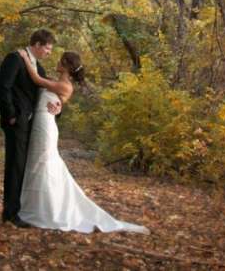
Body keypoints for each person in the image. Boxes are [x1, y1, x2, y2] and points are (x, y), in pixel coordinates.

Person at [16, 48, 148, 234]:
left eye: (61, 61)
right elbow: (50, 96)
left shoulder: (66, 86)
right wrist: (58, 106)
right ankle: (34, 207)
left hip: (46, 126)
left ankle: (48, 210)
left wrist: (24, 58)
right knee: (36, 163)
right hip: (39, 123)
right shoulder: (57, 83)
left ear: (67, 67)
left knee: (43, 163)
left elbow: (37, 80)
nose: (57, 62)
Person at [0, 29, 61, 226]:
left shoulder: (38, 68)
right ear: (38, 44)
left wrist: (58, 106)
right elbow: (3, 87)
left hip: (32, 125)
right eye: (48, 48)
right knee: (15, 166)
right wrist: (11, 116)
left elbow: (46, 91)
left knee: (24, 167)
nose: (49, 52)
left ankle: (21, 210)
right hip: (17, 122)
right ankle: (10, 214)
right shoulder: (14, 58)